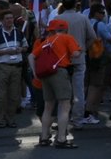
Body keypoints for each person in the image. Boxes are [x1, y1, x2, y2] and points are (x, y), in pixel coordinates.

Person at [30, 18, 80, 148]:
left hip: (46, 75)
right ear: (66, 29)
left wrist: (35, 73)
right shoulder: (68, 38)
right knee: (64, 106)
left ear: (51, 30)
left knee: (48, 106)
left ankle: (44, 137)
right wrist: (78, 51)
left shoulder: (47, 41)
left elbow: (31, 56)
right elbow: (75, 54)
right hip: (60, 72)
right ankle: (61, 139)